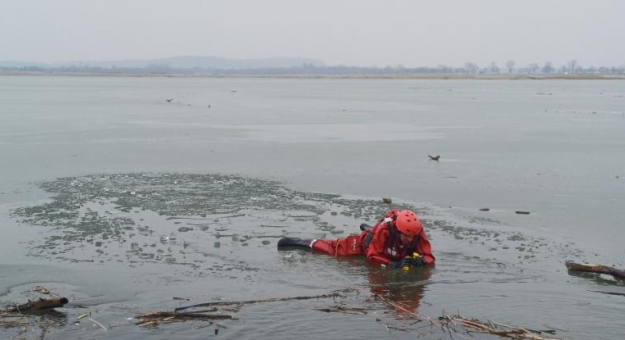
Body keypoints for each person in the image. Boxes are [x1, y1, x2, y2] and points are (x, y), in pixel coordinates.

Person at [277, 209, 435, 269]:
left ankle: (368, 229)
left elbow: (429, 256)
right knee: (334, 249)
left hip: (387, 244)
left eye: (412, 237)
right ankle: (304, 242)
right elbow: (372, 256)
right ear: (398, 229)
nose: (409, 240)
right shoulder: (384, 230)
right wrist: (393, 264)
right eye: (406, 236)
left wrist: (422, 261)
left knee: (378, 236)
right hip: (364, 245)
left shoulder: (416, 231)